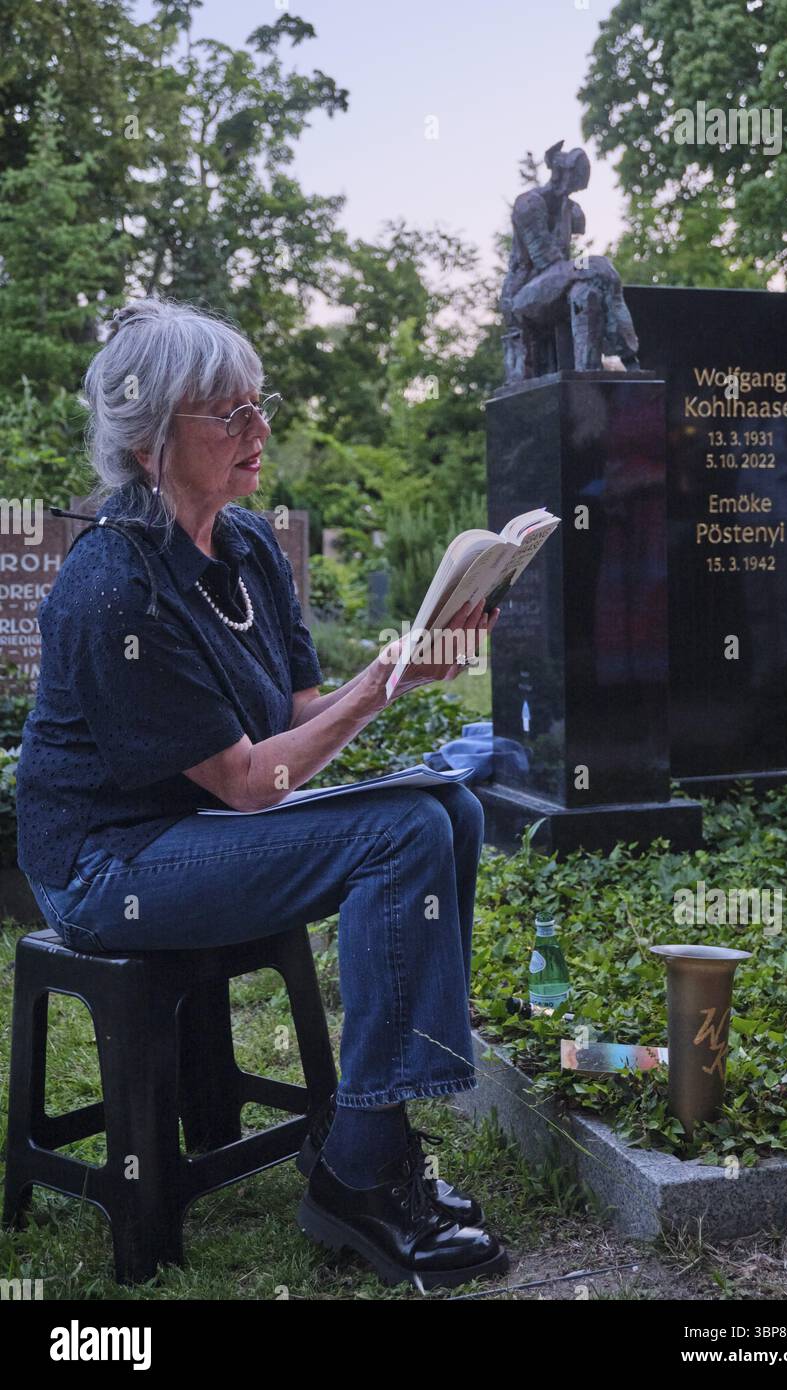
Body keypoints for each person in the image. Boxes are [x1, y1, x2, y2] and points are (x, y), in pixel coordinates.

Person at [15, 296, 507, 1291]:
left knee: (449, 807)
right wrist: (375, 690)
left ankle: (372, 1138)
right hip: (110, 863)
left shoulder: (243, 549)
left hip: (198, 828)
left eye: (257, 405)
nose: (260, 431)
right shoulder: (115, 584)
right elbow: (249, 782)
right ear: (153, 442)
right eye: (229, 415)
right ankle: (358, 1176)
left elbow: (294, 719)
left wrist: (404, 675)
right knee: (403, 831)